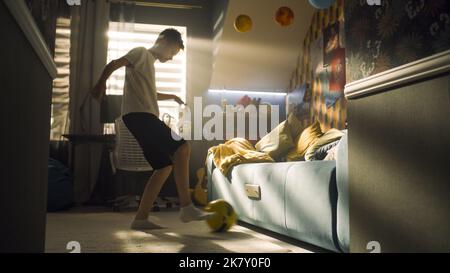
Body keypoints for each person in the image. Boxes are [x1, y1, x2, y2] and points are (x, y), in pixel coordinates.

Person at [91, 28, 210, 229]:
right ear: (164, 41)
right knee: (183, 148)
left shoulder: (148, 64)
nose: (171, 58)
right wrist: (100, 84)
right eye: (172, 52)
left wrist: (171, 96)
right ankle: (186, 207)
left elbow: (149, 93)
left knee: (163, 167)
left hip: (139, 117)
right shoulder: (141, 53)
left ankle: (141, 219)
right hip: (140, 116)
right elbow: (113, 64)